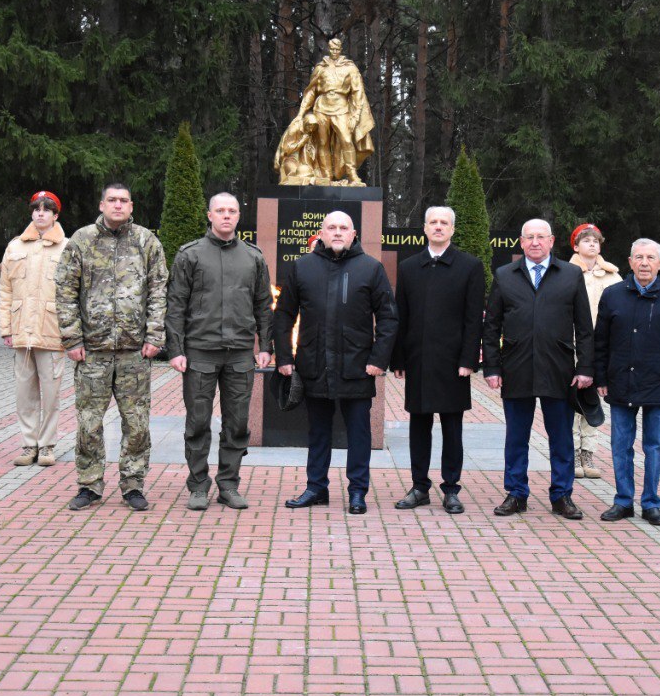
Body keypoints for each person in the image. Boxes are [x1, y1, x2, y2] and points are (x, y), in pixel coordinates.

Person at [273, 211, 397, 514]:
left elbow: (388, 318)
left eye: (344, 228)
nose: (338, 232)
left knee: (358, 433)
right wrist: (285, 358)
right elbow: (284, 315)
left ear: (354, 234)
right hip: (313, 364)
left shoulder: (371, 269)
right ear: (322, 233)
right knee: (318, 431)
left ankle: (357, 491)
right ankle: (316, 487)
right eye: (332, 227)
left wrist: (379, 359)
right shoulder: (302, 267)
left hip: (357, 367)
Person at [56, 182, 167, 512]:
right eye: (112, 200)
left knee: (136, 423)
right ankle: (89, 484)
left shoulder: (146, 241)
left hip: (135, 351)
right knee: (88, 422)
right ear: (101, 204)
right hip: (93, 351)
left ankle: (133, 484)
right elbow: (64, 293)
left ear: (131, 206)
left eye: (124, 201)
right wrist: (72, 339)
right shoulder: (81, 241)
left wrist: (154, 337)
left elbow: (159, 291)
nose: (118, 205)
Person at [166, 193, 273, 511]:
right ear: (209, 215)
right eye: (220, 211)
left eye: (232, 211)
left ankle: (229, 484)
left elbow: (263, 305)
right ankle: (198, 485)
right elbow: (176, 304)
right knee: (197, 422)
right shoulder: (190, 255)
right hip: (201, 352)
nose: (226, 216)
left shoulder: (253, 256)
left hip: (240, 353)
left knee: (237, 423)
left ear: (239, 216)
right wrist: (175, 348)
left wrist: (264, 345)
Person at [482, 219, 594, 520]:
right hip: (516, 368)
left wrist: (585, 368)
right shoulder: (505, 275)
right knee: (516, 437)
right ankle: (516, 494)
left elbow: (584, 327)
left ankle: (562, 496)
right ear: (521, 242)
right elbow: (491, 326)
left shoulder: (571, 275)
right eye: (529, 237)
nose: (534, 242)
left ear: (551, 241)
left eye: (540, 237)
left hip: (559, 370)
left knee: (561, 438)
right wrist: (492, 367)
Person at [593, 238, 660, 527]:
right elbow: (600, 342)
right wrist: (600, 376)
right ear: (629, 262)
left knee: (654, 446)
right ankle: (623, 501)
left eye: (650, 257)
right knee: (620, 445)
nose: (644, 263)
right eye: (638, 257)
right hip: (620, 383)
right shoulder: (612, 295)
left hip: (659, 386)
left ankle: (651, 503)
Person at [389, 206, 485, 514]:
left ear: (452, 229)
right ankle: (419, 487)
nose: (439, 227)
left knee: (452, 428)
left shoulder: (469, 266)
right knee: (419, 426)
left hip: (453, 363)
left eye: (444, 223)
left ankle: (451, 488)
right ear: (425, 228)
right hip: (417, 360)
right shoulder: (408, 267)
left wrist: (468, 359)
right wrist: (399, 357)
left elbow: (474, 319)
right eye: (433, 222)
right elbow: (399, 316)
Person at [0, 190, 68, 467]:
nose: (40, 213)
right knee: (25, 394)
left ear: (55, 215)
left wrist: (72, 332)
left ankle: (47, 445)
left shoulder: (68, 247)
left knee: (51, 395)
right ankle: (29, 445)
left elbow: (76, 292)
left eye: (46, 209)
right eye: (36, 209)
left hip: (52, 331)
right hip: (22, 331)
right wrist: (6, 328)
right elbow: (5, 290)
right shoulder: (15, 247)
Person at [273, 38, 375, 186]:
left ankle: (352, 174)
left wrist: (356, 115)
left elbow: (358, 92)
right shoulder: (320, 68)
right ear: (328, 49)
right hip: (321, 108)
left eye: (337, 50)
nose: (334, 52)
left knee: (346, 140)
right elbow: (311, 92)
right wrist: (301, 114)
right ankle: (326, 177)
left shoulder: (350, 68)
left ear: (341, 50)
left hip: (342, 108)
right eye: (332, 49)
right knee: (322, 143)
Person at [567, 223, 623, 479]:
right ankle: (571, 454)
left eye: (596, 241)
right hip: (570, 346)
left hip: (600, 347)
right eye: (586, 240)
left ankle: (588, 455)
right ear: (576, 246)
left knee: (592, 402)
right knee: (569, 402)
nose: (592, 244)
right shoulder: (565, 272)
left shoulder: (613, 276)